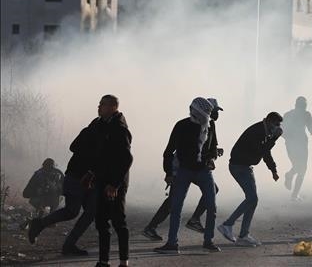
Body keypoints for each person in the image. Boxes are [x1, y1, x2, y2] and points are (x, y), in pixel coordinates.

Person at [28, 102, 102, 256]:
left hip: (86, 178)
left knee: (85, 213)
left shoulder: (90, 132)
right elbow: (74, 147)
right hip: (77, 177)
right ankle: (42, 226)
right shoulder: (91, 133)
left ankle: (66, 243)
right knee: (74, 211)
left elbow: (73, 147)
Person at [143, 99, 223, 241]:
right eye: (214, 111)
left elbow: (210, 147)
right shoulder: (184, 125)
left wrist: (212, 157)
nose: (216, 114)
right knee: (174, 200)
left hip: (200, 169)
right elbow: (171, 150)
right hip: (181, 168)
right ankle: (153, 228)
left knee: (211, 191)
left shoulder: (210, 125)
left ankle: (194, 220)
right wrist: (169, 172)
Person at [217, 112, 282, 247]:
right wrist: (274, 139)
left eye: (278, 125)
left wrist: (273, 170)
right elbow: (261, 150)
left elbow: (266, 153)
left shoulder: (265, 132)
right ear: (268, 121)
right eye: (276, 124)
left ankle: (243, 235)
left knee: (253, 200)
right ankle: (227, 225)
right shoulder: (257, 131)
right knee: (252, 198)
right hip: (239, 167)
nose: (277, 127)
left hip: (245, 167)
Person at [93, 94, 133, 267]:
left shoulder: (119, 128)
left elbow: (127, 159)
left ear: (113, 107)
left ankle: (124, 262)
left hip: (116, 183)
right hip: (101, 181)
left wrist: (115, 184)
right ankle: (103, 261)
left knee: (118, 222)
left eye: (102, 105)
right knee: (101, 222)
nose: (99, 107)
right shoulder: (99, 124)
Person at [282, 96, 312, 200]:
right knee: (302, 168)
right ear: (305, 106)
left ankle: (290, 178)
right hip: (300, 144)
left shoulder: (287, 114)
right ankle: (294, 193)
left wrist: (288, 137)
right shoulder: (306, 114)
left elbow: (281, 131)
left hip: (290, 144)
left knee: (298, 166)